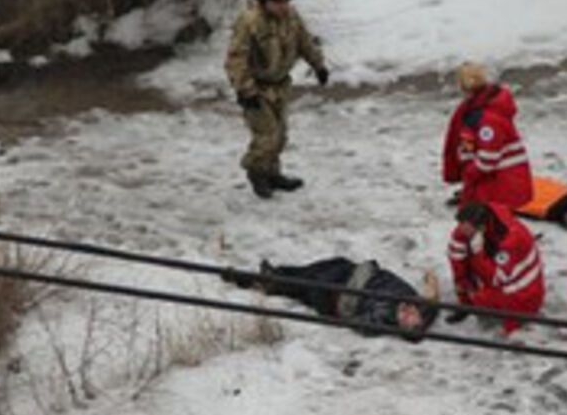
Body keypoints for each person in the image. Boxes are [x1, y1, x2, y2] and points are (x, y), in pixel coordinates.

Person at [226, 0, 329, 199]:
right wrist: (246, 90)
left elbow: (305, 42)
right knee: (267, 135)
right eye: (278, 2)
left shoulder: (291, 17)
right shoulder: (250, 21)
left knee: (280, 135)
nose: (283, 7)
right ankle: (256, 172)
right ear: (266, 0)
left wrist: (318, 65)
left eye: (286, 2)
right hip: (256, 88)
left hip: (280, 85)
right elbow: (236, 59)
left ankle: (273, 174)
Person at [226, 256, 439, 340]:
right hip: (351, 272)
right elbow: (433, 292)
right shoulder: (422, 306)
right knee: (309, 271)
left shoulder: (381, 317)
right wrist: (430, 277)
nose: (408, 310)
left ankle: (253, 281)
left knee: (306, 283)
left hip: (334, 294)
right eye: (414, 314)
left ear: (398, 326)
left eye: (405, 318)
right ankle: (272, 276)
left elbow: (358, 324)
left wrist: (382, 320)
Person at [441, 62, 533, 210]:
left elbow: (488, 159)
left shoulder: (487, 119)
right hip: (499, 179)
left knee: (492, 221)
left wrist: (470, 173)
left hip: (501, 183)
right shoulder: (480, 109)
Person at [446, 200, 545, 334]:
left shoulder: (512, 239)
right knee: (475, 292)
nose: (460, 230)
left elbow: (496, 278)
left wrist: (478, 253)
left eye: (466, 228)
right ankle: (469, 305)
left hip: (524, 293)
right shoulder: (473, 224)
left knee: (482, 297)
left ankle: (513, 322)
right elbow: (456, 253)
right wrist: (462, 287)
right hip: (505, 276)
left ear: (481, 228)